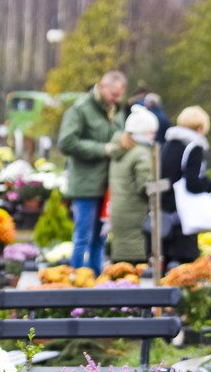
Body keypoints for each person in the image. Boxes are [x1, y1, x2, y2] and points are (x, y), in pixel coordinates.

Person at [58, 70, 132, 275]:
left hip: (108, 185)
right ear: (102, 86)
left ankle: (97, 282)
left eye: (120, 96)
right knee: (83, 236)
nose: (116, 99)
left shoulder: (116, 111)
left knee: (101, 237)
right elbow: (66, 142)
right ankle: (77, 282)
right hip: (86, 185)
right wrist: (103, 149)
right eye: (114, 95)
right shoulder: (80, 109)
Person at [159, 105, 211, 269]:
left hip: (165, 215)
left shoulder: (168, 144)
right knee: (184, 267)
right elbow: (193, 183)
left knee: (167, 265)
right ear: (200, 128)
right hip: (183, 216)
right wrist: (209, 185)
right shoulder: (194, 147)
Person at [108, 104, 159, 264]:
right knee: (134, 264)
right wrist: (164, 186)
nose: (154, 136)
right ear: (142, 133)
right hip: (135, 213)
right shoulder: (141, 153)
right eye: (151, 132)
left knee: (120, 263)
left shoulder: (121, 150)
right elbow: (144, 186)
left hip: (120, 210)